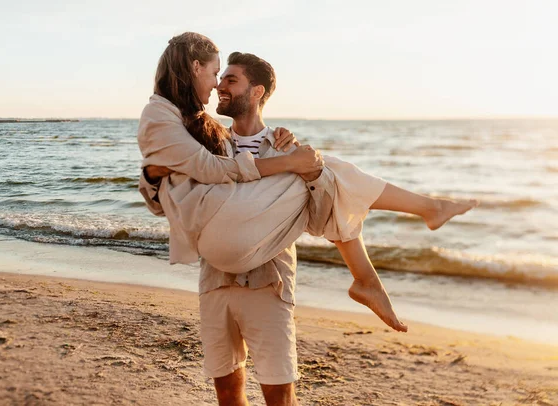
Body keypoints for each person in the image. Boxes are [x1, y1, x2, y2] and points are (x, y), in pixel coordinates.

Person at [138, 32, 476, 405]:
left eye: (231, 79)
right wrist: (152, 176)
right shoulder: (209, 141)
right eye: (219, 76)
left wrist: (303, 167)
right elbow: (168, 204)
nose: (220, 85)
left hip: (269, 284)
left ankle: (380, 264)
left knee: (279, 394)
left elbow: (320, 216)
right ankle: (396, 245)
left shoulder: (284, 147)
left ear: (257, 92)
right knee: (227, 392)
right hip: (216, 280)